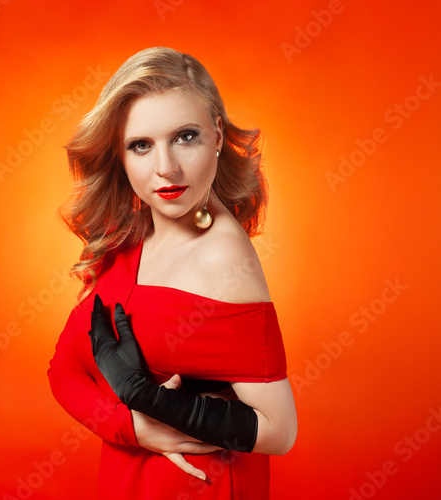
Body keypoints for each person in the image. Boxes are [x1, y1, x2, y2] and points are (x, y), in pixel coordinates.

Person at [48, 47, 297, 499]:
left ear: (217, 135)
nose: (166, 168)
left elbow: (280, 431)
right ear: (120, 155)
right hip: (127, 479)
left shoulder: (222, 257)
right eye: (141, 145)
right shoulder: (127, 233)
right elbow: (64, 369)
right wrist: (131, 426)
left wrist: (152, 401)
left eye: (185, 136)